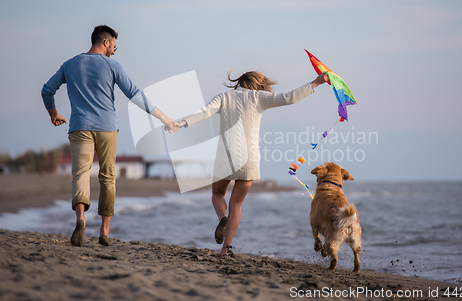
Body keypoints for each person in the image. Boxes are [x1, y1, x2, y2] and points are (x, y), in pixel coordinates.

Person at [41, 25, 176, 247]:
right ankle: (104, 231)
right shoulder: (112, 65)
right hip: (106, 128)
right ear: (106, 42)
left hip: (79, 127)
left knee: (81, 174)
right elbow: (135, 94)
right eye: (114, 45)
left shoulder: (70, 64)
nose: (115, 50)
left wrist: (54, 114)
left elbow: (47, 90)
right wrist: (164, 118)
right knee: (108, 177)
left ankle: (81, 219)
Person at [169, 70, 328, 257]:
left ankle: (222, 217)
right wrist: (316, 82)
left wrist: (181, 123)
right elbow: (289, 98)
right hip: (249, 160)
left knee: (217, 193)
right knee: (236, 204)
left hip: (225, 158)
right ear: (258, 84)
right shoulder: (259, 97)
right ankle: (226, 249)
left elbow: (204, 112)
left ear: (241, 82)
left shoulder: (223, 97)